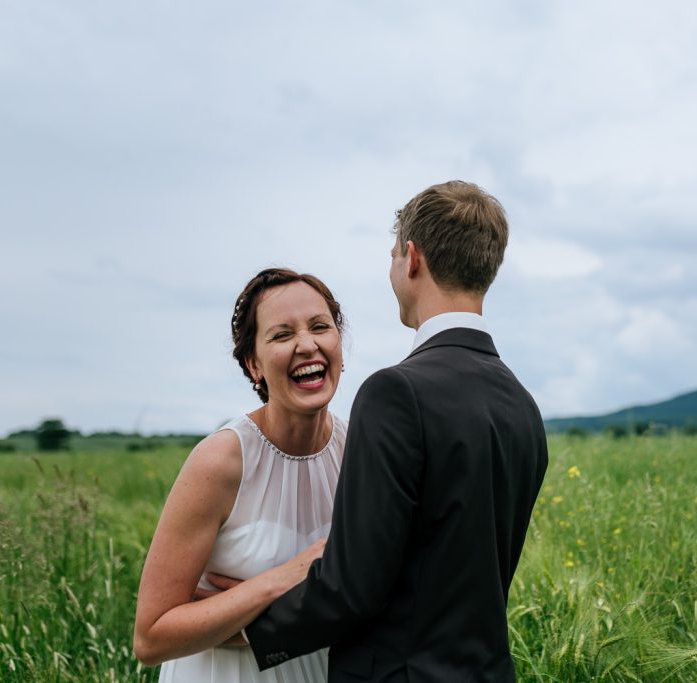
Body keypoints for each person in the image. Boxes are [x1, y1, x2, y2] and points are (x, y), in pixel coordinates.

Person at [227, 180, 548, 682]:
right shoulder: (523, 406)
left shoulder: (396, 393)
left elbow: (351, 586)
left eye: (392, 255)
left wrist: (240, 628)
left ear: (411, 259)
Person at [133, 267, 347, 682]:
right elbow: (152, 637)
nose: (307, 344)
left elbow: (368, 601)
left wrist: (241, 616)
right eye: (282, 335)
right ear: (254, 365)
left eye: (320, 326)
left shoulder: (358, 451)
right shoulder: (222, 460)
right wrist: (280, 580)